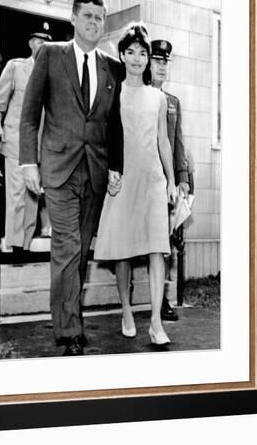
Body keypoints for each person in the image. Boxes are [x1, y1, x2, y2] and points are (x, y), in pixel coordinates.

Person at [19, 0, 123, 355]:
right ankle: (67, 331)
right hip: (58, 168)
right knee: (67, 247)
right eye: (88, 16)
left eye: (99, 17)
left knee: (79, 253)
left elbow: (113, 125)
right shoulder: (50, 55)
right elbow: (30, 114)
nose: (94, 22)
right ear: (74, 19)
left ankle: (70, 314)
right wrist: (28, 162)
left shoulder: (112, 68)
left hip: (94, 171)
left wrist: (115, 167)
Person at [94, 22, 176, 346]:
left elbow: (163, 141)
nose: (138, 59)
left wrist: (170, 180)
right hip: (124, 180)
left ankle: (155, 322)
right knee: (124, 250)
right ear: (123, 55)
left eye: (143, 53)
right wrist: (111, 171)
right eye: (131, 52)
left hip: (153, 179)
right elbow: (105, 137)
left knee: (158, 248)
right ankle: (127, 310)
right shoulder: (113, 92)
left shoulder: (157, 97)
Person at [0, 31, 52, 254]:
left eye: (46, 42)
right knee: (16, 195)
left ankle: (24, 246)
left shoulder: (50, 73)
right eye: (39, 41)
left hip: (37, 145)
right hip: (15, 140)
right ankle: (15, 246)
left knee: (32, 196)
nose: (43, 45)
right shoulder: (15, 67)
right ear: (30, 43)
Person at [150, 39, 189, 322]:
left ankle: (163, 299)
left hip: (165, 186)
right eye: (156, 61)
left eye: (165, 62)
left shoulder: (172, 102)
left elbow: (177, 144)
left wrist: (183, 180)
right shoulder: (134, 94)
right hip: (139, 182)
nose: (161, 67)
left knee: (165, 245)